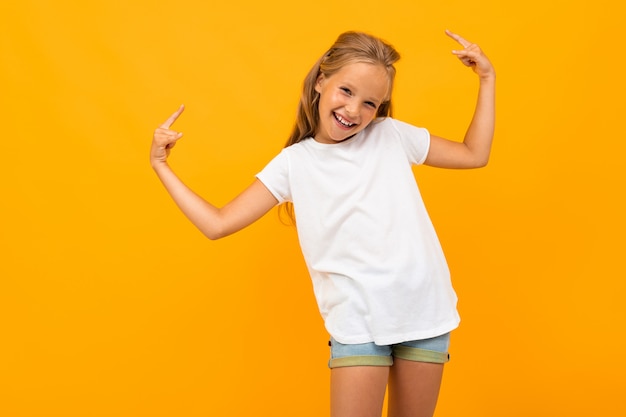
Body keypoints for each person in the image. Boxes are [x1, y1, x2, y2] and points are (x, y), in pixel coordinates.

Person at [150, 29, 495, 417]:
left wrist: (486, 79)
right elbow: (217, 224)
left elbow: (473, 153)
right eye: (346, 91)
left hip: (424, 311)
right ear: (320, 81)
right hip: (357, 323)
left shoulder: (390, 135)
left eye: (370, 103)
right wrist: (161, 165)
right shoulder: (295, 164)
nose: (354, 111)